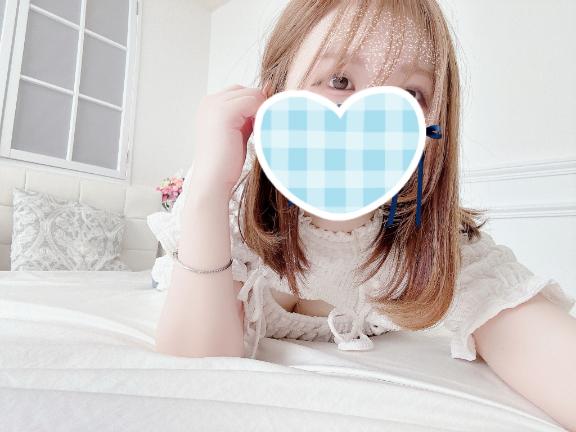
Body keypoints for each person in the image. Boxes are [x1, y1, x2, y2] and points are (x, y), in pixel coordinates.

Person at [150, 1, 576, 429]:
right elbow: (195, 369)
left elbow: (537, 341)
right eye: (340, 80)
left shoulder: (433, 243)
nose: (372, 121)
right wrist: (207, 191)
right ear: (275, 92)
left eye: (411, 95)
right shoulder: (235, 202)